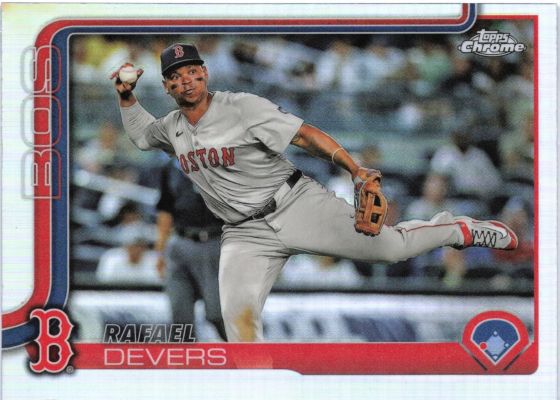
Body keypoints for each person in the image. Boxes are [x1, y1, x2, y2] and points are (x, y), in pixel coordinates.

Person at [112, 43, 518, 342]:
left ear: (205, 73)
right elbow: (142, 135)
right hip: (242, 232)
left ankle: (456, 229)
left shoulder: (241, 106)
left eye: (192, 70)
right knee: (237, 323)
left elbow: (303, 136)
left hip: (293, 205)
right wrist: (127, 96)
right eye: (176, 75)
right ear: (167, 86)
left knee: (391, 248)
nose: (186, 79)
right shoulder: (172, 128)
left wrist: (354, 168)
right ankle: (261, 391)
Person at [155, 159, 227, 341]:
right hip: (179, 242)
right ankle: (184, 358)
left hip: (214, 241)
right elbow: (165, 210)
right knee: (180, 317)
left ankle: (246, 353)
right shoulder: (171, 167)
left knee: (218, 314)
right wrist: (161, 252)